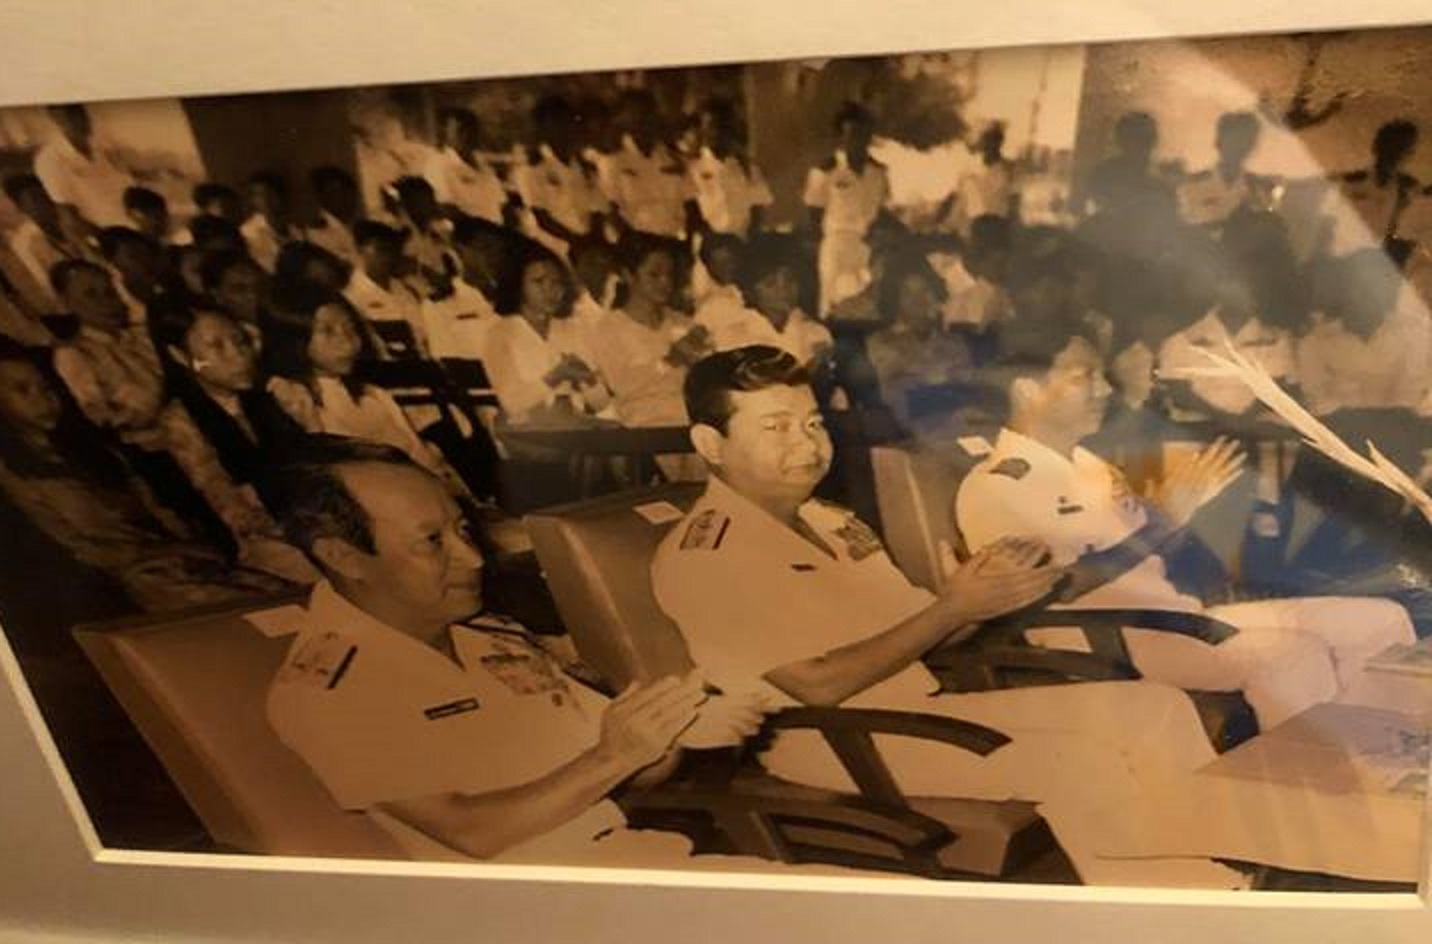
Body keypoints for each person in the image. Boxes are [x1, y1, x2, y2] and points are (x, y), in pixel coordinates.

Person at [651, 345, 1253, 887]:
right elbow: (818, 684)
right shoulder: (709, 554)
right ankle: (1173, 905)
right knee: (1081, 765)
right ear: (710, 444)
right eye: (776, 427)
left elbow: (926, 632)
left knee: (1154, 707)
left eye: (812, 422)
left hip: (917, 707)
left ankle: (1214, 868)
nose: (807, 444)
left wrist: (989, 594)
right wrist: (951, 609)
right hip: (829, 738)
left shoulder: (832, 523)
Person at [264, 435, 764, 863]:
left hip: (622, 862)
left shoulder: (488, 637)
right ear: (344, 556)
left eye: (462, 529)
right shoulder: (331, 689)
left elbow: (622, 773)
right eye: (433, 541)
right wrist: (617, 755)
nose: (473, 557)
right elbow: (475, 833)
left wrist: (674, 732)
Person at [954, 328, 1416, 730]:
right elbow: (1060, 587)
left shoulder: (1086, 465)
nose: (1104, 389)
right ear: (1027, 390)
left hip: (1175, 617)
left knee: (1382, 621)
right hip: (1108, 641)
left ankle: (1380, 761)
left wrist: (1182, 517)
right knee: (1292, 655)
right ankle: (1319, 782)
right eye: (1084, 377)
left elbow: (1148, 553)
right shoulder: (1000, 486)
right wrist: (1164, 517)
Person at [0, 339, 291, 612]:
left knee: (280, 593)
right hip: (131, 583)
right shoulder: (17, 479)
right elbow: (86, 549)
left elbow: (153, 507)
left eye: (46, 388)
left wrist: (187, 542)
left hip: (180, 560)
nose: (43, 400)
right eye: (23, 391)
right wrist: (171, 551)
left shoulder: (91, 451)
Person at [263, 278, 461, 490]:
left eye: (350, 327)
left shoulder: (374, 395)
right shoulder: (295, 406)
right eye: (328, 331)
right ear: (294, 340)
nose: (348, 341)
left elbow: (422, 457)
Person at [483, 240, 610, 425]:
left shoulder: (572, 329)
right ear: (517, 285)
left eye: (556, 282)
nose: (550, 290)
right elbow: (512, 404)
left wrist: (589, 381)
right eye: (538, 281)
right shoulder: (500, 334)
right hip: (525, 432)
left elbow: (601, 404)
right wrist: (556, 377)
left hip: (574, 428)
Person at [591, 233, 708, 428]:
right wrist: (669, 361)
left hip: (692, 424)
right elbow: (620, 386)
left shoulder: (683, 323)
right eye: (654, 275)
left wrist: (703, 357)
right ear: (628, 275)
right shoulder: (608, 328)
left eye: (669, 275)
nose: (665, 282)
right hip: (644, 429)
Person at [1296, 248, 1431, 415]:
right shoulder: (1315, 344)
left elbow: (1412, 400)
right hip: (1337, 427)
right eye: (1359, 287)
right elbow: (1317, 405)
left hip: (1401, 426)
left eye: (1379, 288)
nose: (1368, 297)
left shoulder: (1414, 336)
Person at [864, 247, 973, 433]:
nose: (918, 301)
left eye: (925, 291)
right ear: (895, 299)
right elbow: (894, 396)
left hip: (957, 428)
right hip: (907, 432)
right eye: (908, 293)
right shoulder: (880, 342)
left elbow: (967, 390)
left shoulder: (954, 343)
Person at [803, 102, 890, 317]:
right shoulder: (825, 171)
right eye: (850, 135)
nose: (856, 141)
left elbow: (881, 211)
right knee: (833, 305)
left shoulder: (878, 173)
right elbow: (814, 213)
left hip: (868, 247)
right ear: (841, 137)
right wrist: (817, 247)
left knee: (866, 304)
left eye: (862, 134)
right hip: (837, 245)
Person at [696, 233, 831, 366]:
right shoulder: (733, 337)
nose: (783, 290)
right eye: (770, 283)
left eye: (790, 280)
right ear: (751, 290)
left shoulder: (816, 333)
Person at [511, 94, 609, 255]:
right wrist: (576, 242)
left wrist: (593, 241)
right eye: (553, 125)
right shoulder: (531, 169)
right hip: (551, 248)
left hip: (588, 247)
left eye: (565, 122)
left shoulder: (584, 168)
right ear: (542, 130)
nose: (561, 131)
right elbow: (541, 218)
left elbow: (598, 208)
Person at [598, 90, 695, 240]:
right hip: (636, 241)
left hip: (676, 238)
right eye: (634, 119)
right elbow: (612, 215)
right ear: (624, 123)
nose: (641, 125)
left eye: (645, 117)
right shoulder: (612, 162)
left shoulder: (673, 159)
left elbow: (691, 202)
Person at [1321, 119, 1421, 257]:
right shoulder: (1352, 180)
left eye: (1407, 150)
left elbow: (1392, 226)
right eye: (1401, 150)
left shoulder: (1406, 187)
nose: (1405, 156)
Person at [3, 173, 97, 315]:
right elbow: (47, 289)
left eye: (44, 195)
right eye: (35, 200)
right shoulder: (25, 244)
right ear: (21, 208)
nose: (44, 203)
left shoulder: (70, 218)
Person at [33, 104, 134, 230]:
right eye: (70, 116)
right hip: (109, 231)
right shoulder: (49, 159)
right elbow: (68, 215)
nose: (81, 120)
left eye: (80, 112)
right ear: (55, 119)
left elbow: (127, 179)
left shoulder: (102, 143)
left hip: (138, 219)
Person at [419, 215, 506, 362]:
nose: (493, 256)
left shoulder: (517, 295)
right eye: (484, 248)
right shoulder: (439, 306)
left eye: (497, 249)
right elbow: (447, 363)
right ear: (461, 251)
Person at [686, 98, 772, 238]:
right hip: (710, 241)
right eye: (708, 126)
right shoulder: (694, 167)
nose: (714, 132)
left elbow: (759, 205)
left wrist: (750, 239)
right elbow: (691, 212)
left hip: (743, 240)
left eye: (720, 126)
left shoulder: (747, 167)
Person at [1176, 112, 1277, 228]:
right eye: (1233, 141)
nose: (1239, 148)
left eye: (1246, 141)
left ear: (1252, 147)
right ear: (1219, 142)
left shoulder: (1258, 189)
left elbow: (1267, 226)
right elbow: (1184, 227)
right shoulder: (1194, 184)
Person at [344, 220, 428, 358]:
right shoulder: (351, 298)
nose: (388, 256)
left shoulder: (406, 290)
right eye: (381, 249)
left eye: (392, 250)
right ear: (360, 250)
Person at [421, 108, 511, 225]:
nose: (468, 136)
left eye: (473, 130)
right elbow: (445, 209)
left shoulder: (483, 165)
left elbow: (502, 203)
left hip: (497, 230)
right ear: (447, 133)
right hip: (469, 232)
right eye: (460, 130)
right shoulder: (438, 164)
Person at [949, 122, 1018, 236]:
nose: (990, 145)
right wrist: (955, 227)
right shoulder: (969, 171)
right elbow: (961, 201)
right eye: (986, 140)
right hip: (977, 227)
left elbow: (1015, 200)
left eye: (994, 140)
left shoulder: (1010, 168)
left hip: (1000, 226)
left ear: (1000, 142)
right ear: (981, 143)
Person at [240, 172, 309, 272]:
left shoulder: (297, 225)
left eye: (271, 193)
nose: (266, 199)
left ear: (282, 196)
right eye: (260, 194)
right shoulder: (248, 232)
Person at [306, 165, 363, 266]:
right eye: (338, 192)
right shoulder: (318, 233)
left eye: (349, 192)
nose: (347, 198)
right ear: (322, 197)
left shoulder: (355, 226)